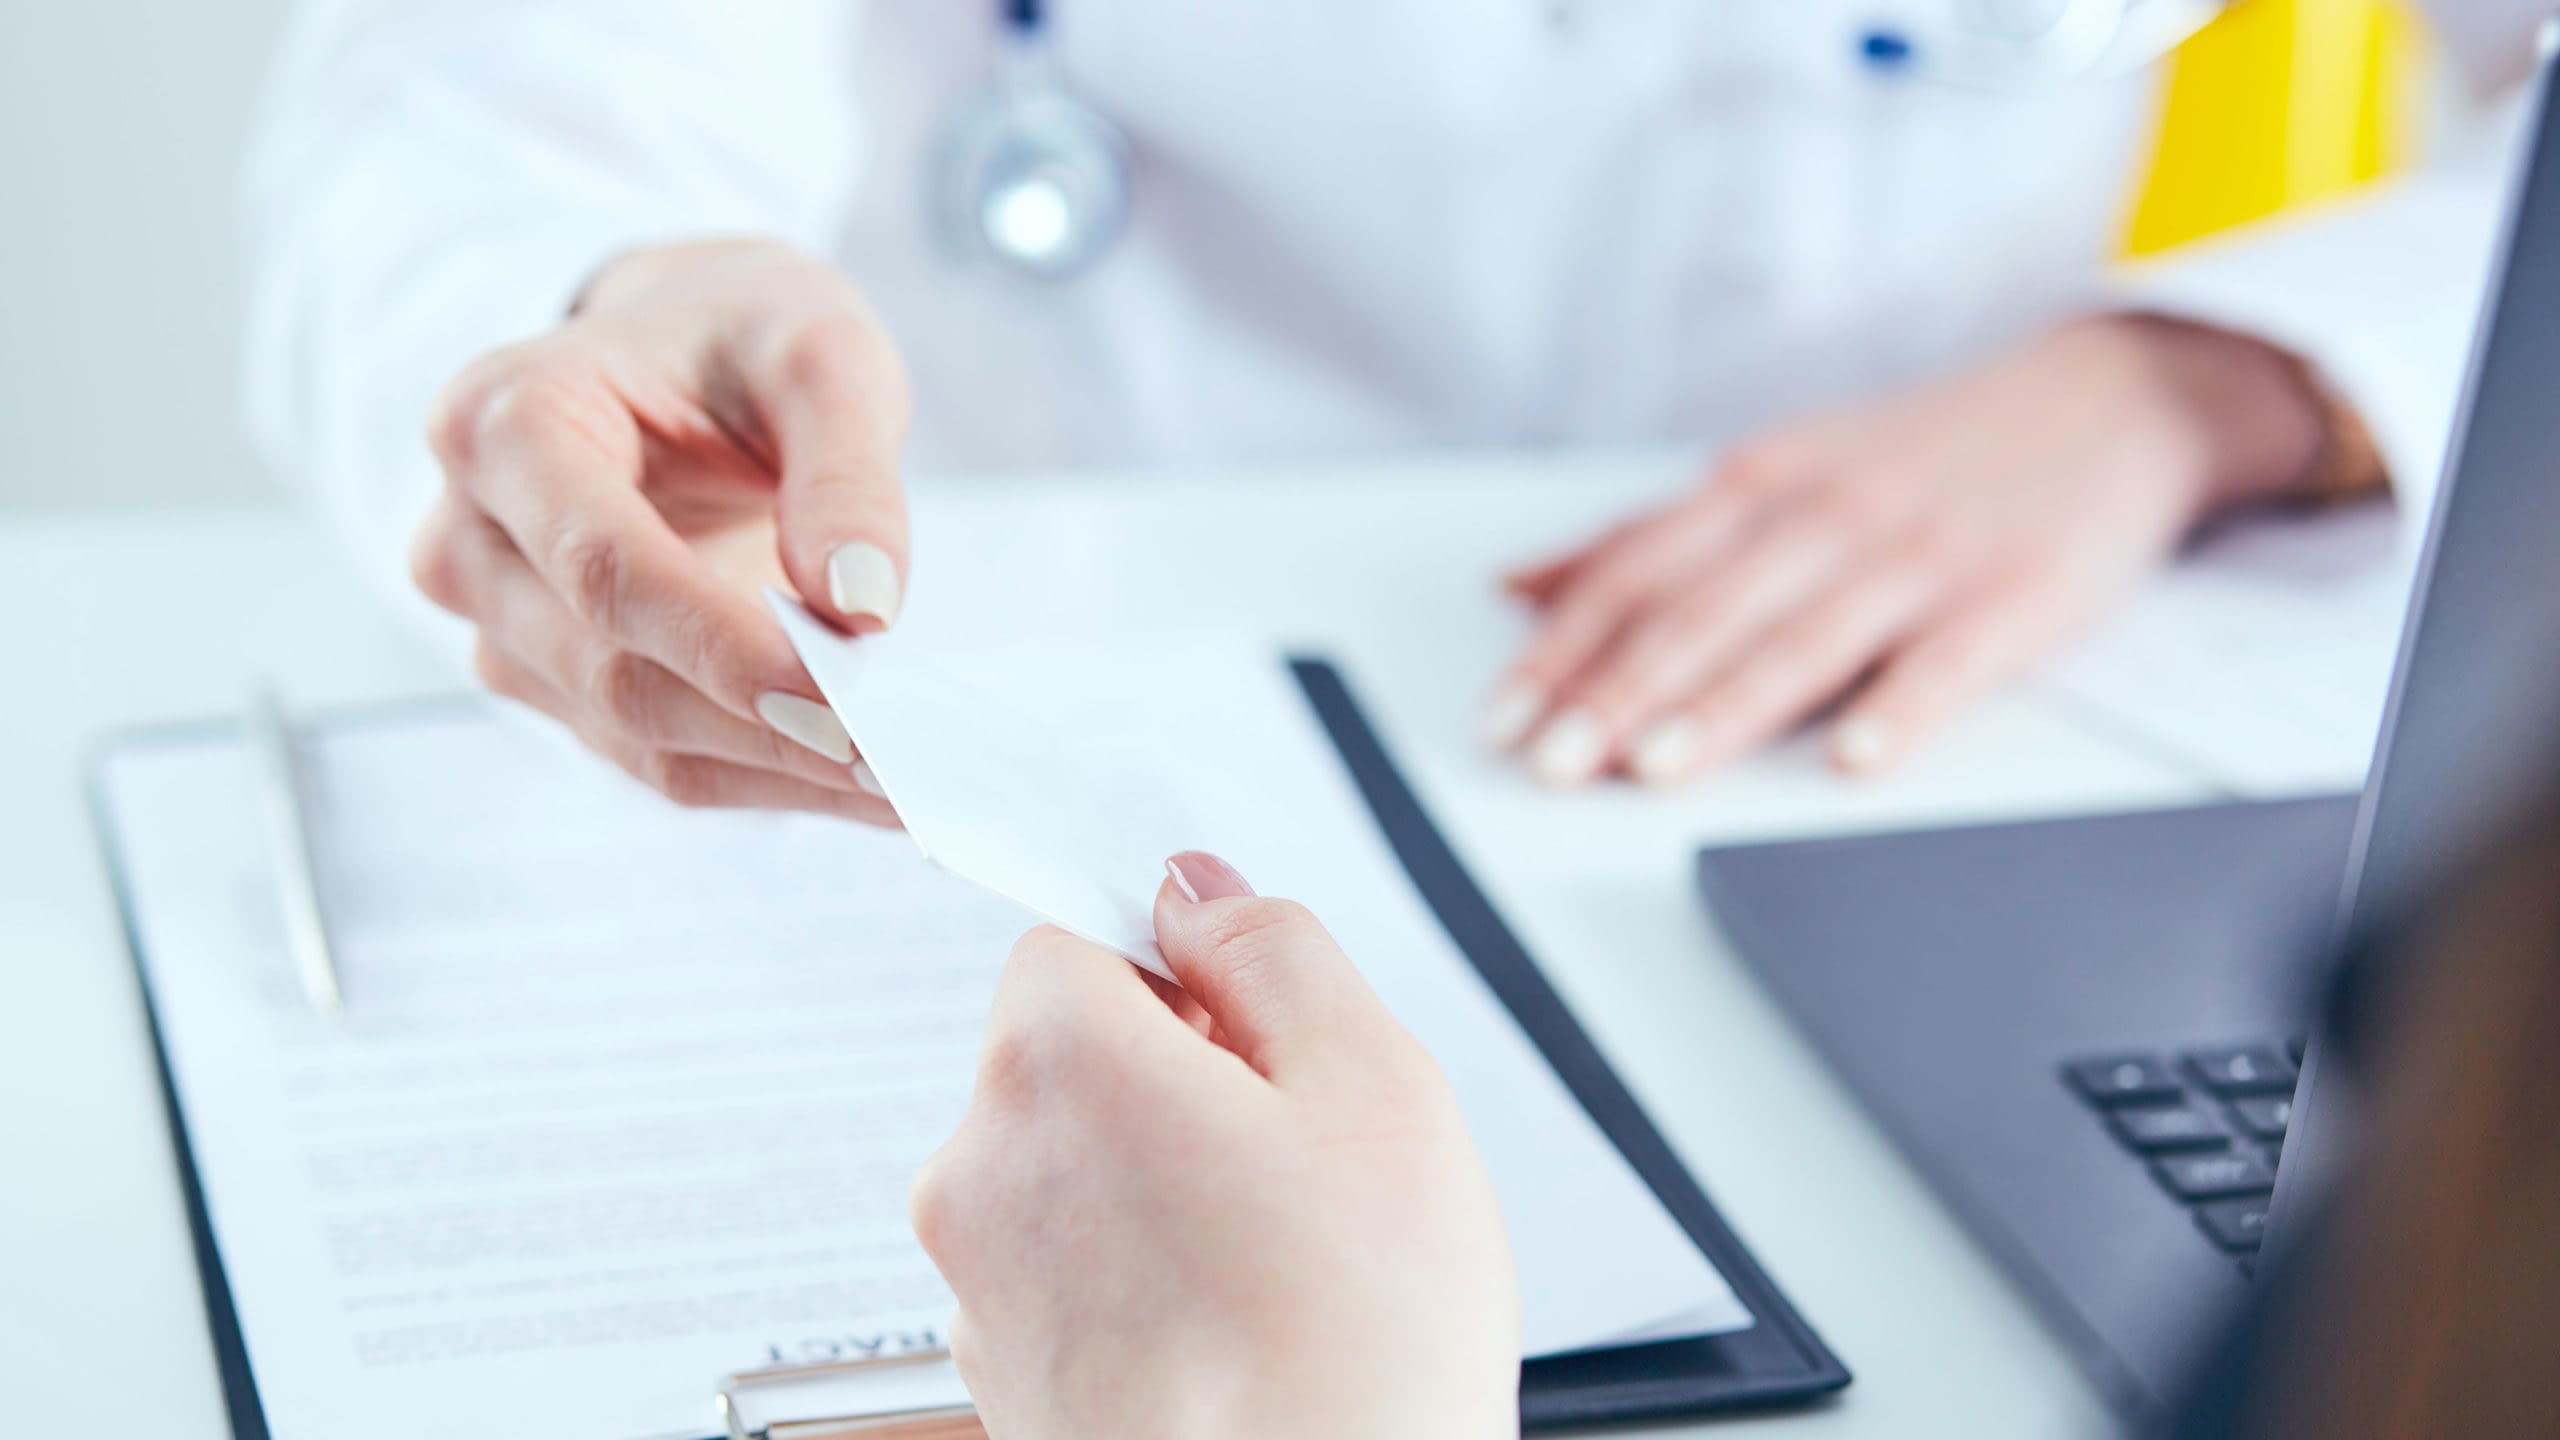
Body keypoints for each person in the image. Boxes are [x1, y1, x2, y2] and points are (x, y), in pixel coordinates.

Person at [242, 2, 2529, 812]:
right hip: (1022, 646)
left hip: (1938, 703)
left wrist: (2217, 378)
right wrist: (597, 299)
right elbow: (479, 86)